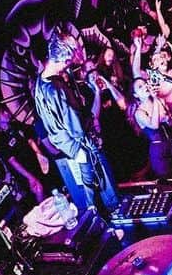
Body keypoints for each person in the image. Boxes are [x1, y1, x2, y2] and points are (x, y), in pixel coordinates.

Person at [33, 35, 119, 212]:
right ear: (62, 60)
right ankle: (105, 223)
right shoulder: (51, 90)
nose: (69, 66)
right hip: (80, 145)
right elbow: (56, 128)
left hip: (82, 142)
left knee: (100, 186)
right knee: (96, 194)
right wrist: (76, 150)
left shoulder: (45, 82)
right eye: (68, 62)